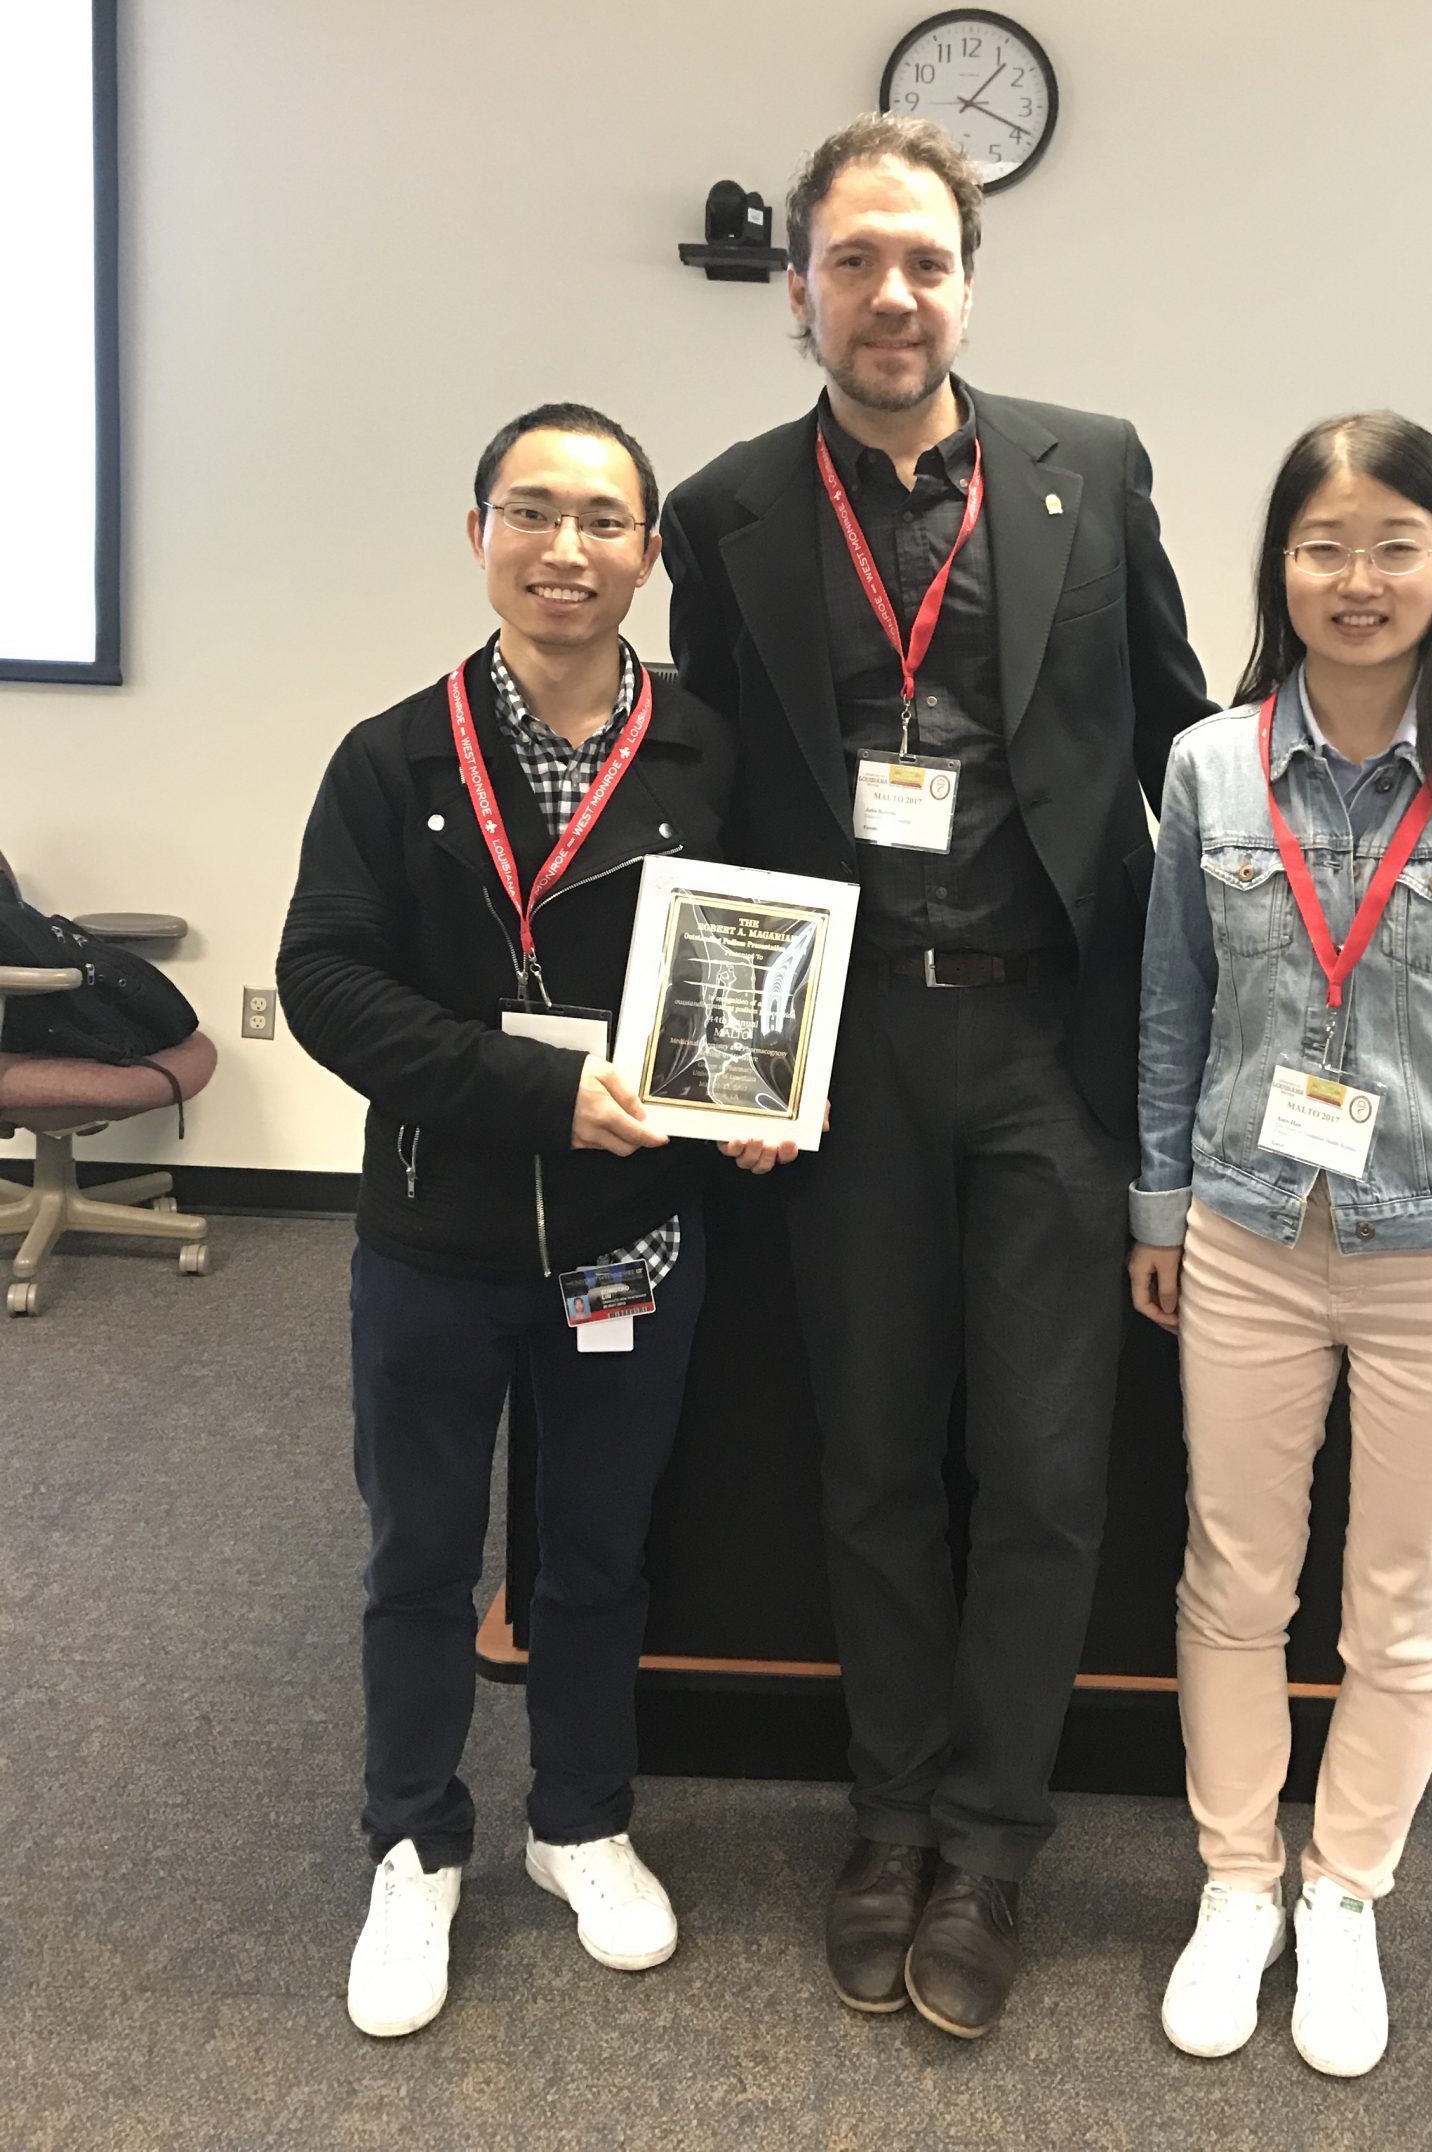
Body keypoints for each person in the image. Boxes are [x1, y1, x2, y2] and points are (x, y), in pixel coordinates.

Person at [662, 115, 1211, 2037]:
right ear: (799, 290)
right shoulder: (725, 510)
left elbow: (1188, 742)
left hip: (1050, 1039)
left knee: (1048, 1473)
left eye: (924, 262)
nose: (890, 296)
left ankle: (992, 1842)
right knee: (875, 1458)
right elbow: (711, 794)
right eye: (853, 262)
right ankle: (887, 1820)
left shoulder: (1091, 468)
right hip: (847, 1047)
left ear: (969, 286)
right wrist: (722, 1057)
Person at [1129, 411, 1432, 2074]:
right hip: (1249, 1232)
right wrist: (1156, 1206)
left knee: (1405, 1601)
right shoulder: (1210, 766)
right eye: (1325, 546)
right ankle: (1237, 1882)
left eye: (1394, 545)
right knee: (1234, 1577)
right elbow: (1172, 1013)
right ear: (1280, 566)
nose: (1360, 578)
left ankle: (1343, 1893)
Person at [280, 403, 781, 2040]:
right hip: (435, 1239)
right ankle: (413, 1842)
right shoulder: (392, 756)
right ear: (480, 533)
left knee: (596, 1554)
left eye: (603, 520)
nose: (567, 549)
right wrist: (532, 1091)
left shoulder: (710, 752)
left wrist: (760, 1095)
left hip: (632, 1237)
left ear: (648, 552)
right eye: (532, 512)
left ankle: (580, 1822)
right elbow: (326, 980)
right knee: (421, 1559)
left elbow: (767, 955)